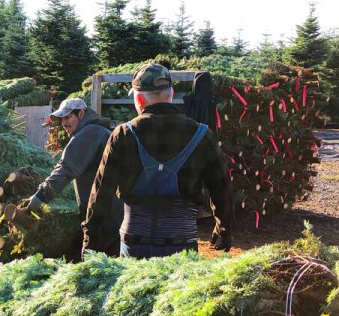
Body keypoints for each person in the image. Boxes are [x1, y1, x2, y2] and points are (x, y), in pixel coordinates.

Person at [83, 63, 234, 259]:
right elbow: (221, 188)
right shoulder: (202, 134)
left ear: (138, 99)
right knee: (179, 290)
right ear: (171, 93)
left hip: (134, 243)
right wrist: (224, 229)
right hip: (182, 244)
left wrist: (91, 240)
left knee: (134, 289)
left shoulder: (123, 134)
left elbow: (101, 193)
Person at [23, 98, 123, 257]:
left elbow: (66, 168)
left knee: (96, 265)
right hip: (111, 211)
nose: (64, 123)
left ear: (81, 113)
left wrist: (41, 196)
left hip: (104, 215)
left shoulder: (89, 133)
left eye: (68, 117)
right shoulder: (98, 131)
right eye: (62, 119)